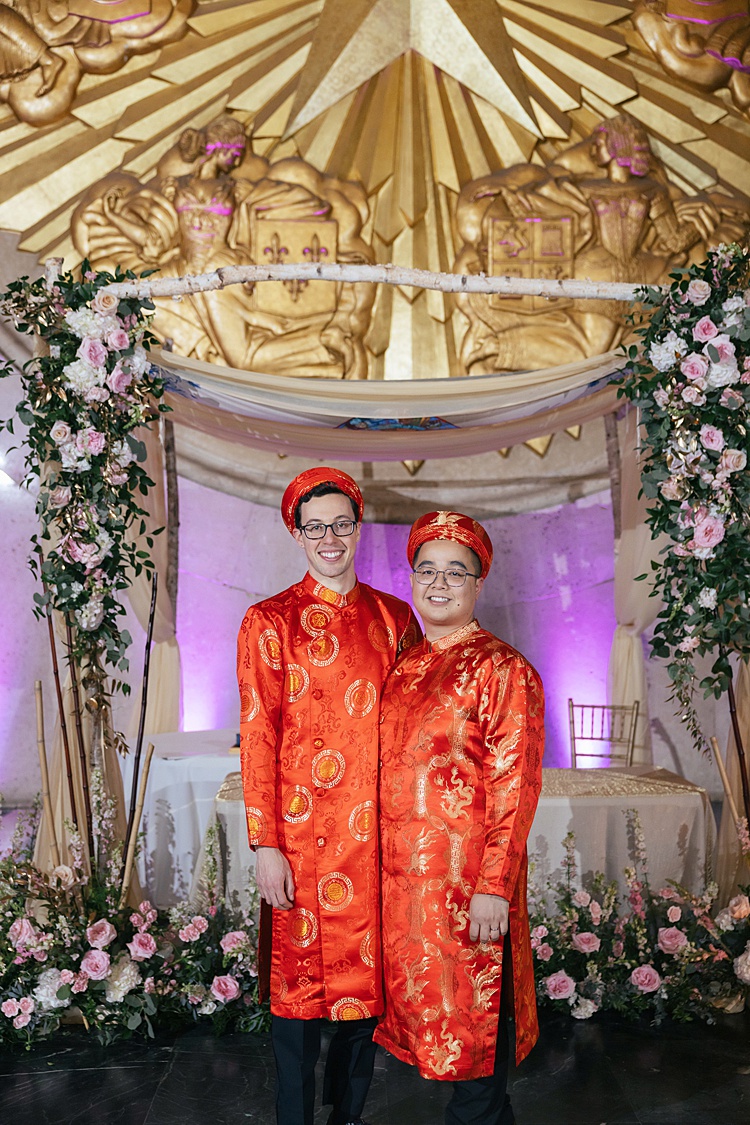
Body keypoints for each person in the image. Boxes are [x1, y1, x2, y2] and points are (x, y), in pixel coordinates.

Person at [237, 467, 420, 1125]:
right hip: (300, 843)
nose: (330, 537)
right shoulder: (269, 621)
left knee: (360, 1008)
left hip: (373, 845)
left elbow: (416, 729)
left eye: (342, 523)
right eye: (316, 526)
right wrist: (265, 843)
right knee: (296, 1009)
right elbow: (257, 738)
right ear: (298, 533)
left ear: (358, 527)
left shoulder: (395, 617)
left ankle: (347, 1118)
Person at [374, 511, 545, 1125]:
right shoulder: (404, 667)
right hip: (409, 899)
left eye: (456, 571)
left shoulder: (504, 670)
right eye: (427, 570)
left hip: (470, 892)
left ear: (478, 584)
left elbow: (514, 787)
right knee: (439, 1036)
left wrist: (494, 887)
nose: (439, 583)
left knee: (479, 1029)